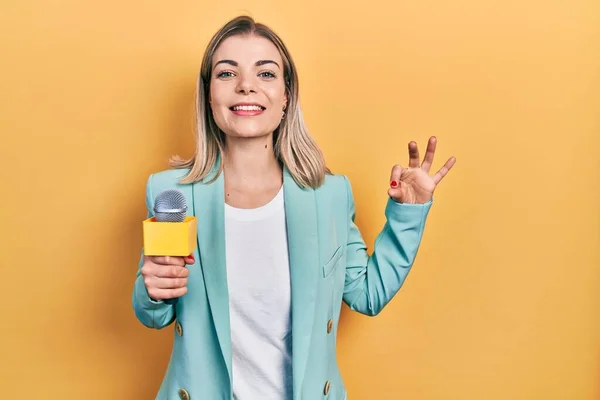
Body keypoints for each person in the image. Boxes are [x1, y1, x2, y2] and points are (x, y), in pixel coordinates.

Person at [132, 15, 456, 400]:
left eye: (265, 74)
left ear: (286, 97)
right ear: (209, 96)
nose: (246, 85)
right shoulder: (172, 192)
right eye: (226, 73)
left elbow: (367, 294)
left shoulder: (329, 196)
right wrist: (152, 289)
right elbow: (155, 315)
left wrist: (408, 215)